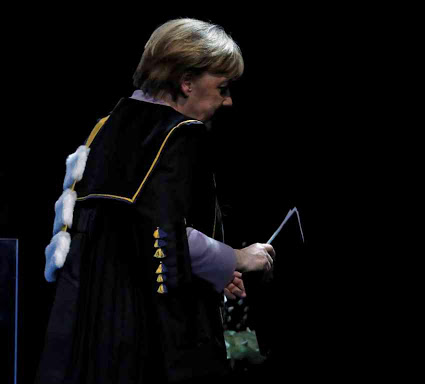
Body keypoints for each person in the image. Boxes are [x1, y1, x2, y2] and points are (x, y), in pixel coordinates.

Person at [35, 18, 275, 384]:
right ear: (187, 82)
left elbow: (121, 232)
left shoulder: (105, 127)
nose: (228, 101)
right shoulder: (181, 133)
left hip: (89, 326)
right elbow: (162, 234)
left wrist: (215, 269)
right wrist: (239, 257)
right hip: (144, 330)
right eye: (222, 87)